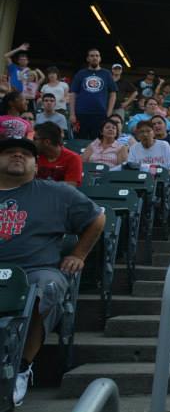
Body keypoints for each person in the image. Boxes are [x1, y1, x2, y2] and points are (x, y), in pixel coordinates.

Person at [0, 129, 105, 407]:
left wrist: (79, 254)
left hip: (34, 271)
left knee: (47, 287)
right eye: (10, 151)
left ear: (37, 165)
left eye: (26, 153)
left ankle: (22, 367)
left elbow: (97, 219)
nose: (19, 155)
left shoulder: (57, 193)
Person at [69, 48, 117, 140]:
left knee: (98, 142)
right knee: (79, 140)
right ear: (87, 59)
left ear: (100, 58)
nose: (94, 58)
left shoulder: (106, 73)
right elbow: (73, 94)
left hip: (100, 114)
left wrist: (109, 111)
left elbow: (113, 93)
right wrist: (72, 114)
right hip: (81, 113)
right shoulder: (81, 73)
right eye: (92, 56)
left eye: (97, 56)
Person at [33, 122, 82, 186]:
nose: (32, 142)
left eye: (35, 139)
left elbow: (70, 188)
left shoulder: (73, 158)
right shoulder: (33, 156)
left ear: (47, 142)